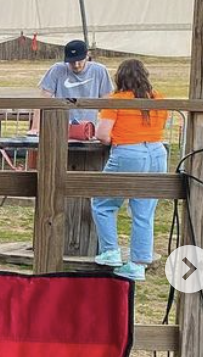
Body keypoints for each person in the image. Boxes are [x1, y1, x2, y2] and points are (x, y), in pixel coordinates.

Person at [92, 57, 169, 283]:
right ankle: (138, 263)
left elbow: (103, 135)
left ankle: (110, 251)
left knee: (103, 202)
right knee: (144, 210)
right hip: (157, 152)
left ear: (120, 78)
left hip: (129, 152)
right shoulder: (158, 98)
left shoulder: (116, 101)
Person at [36, 39, 112, 133]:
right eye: (71, 62)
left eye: (79, 60)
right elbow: (43, 99)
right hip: (61, 127)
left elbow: (107, 102)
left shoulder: (100, 71)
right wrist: (36, 128)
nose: (76, 65)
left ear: (87, 56)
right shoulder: (57, 70)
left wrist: (104, 129)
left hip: (89, 128)